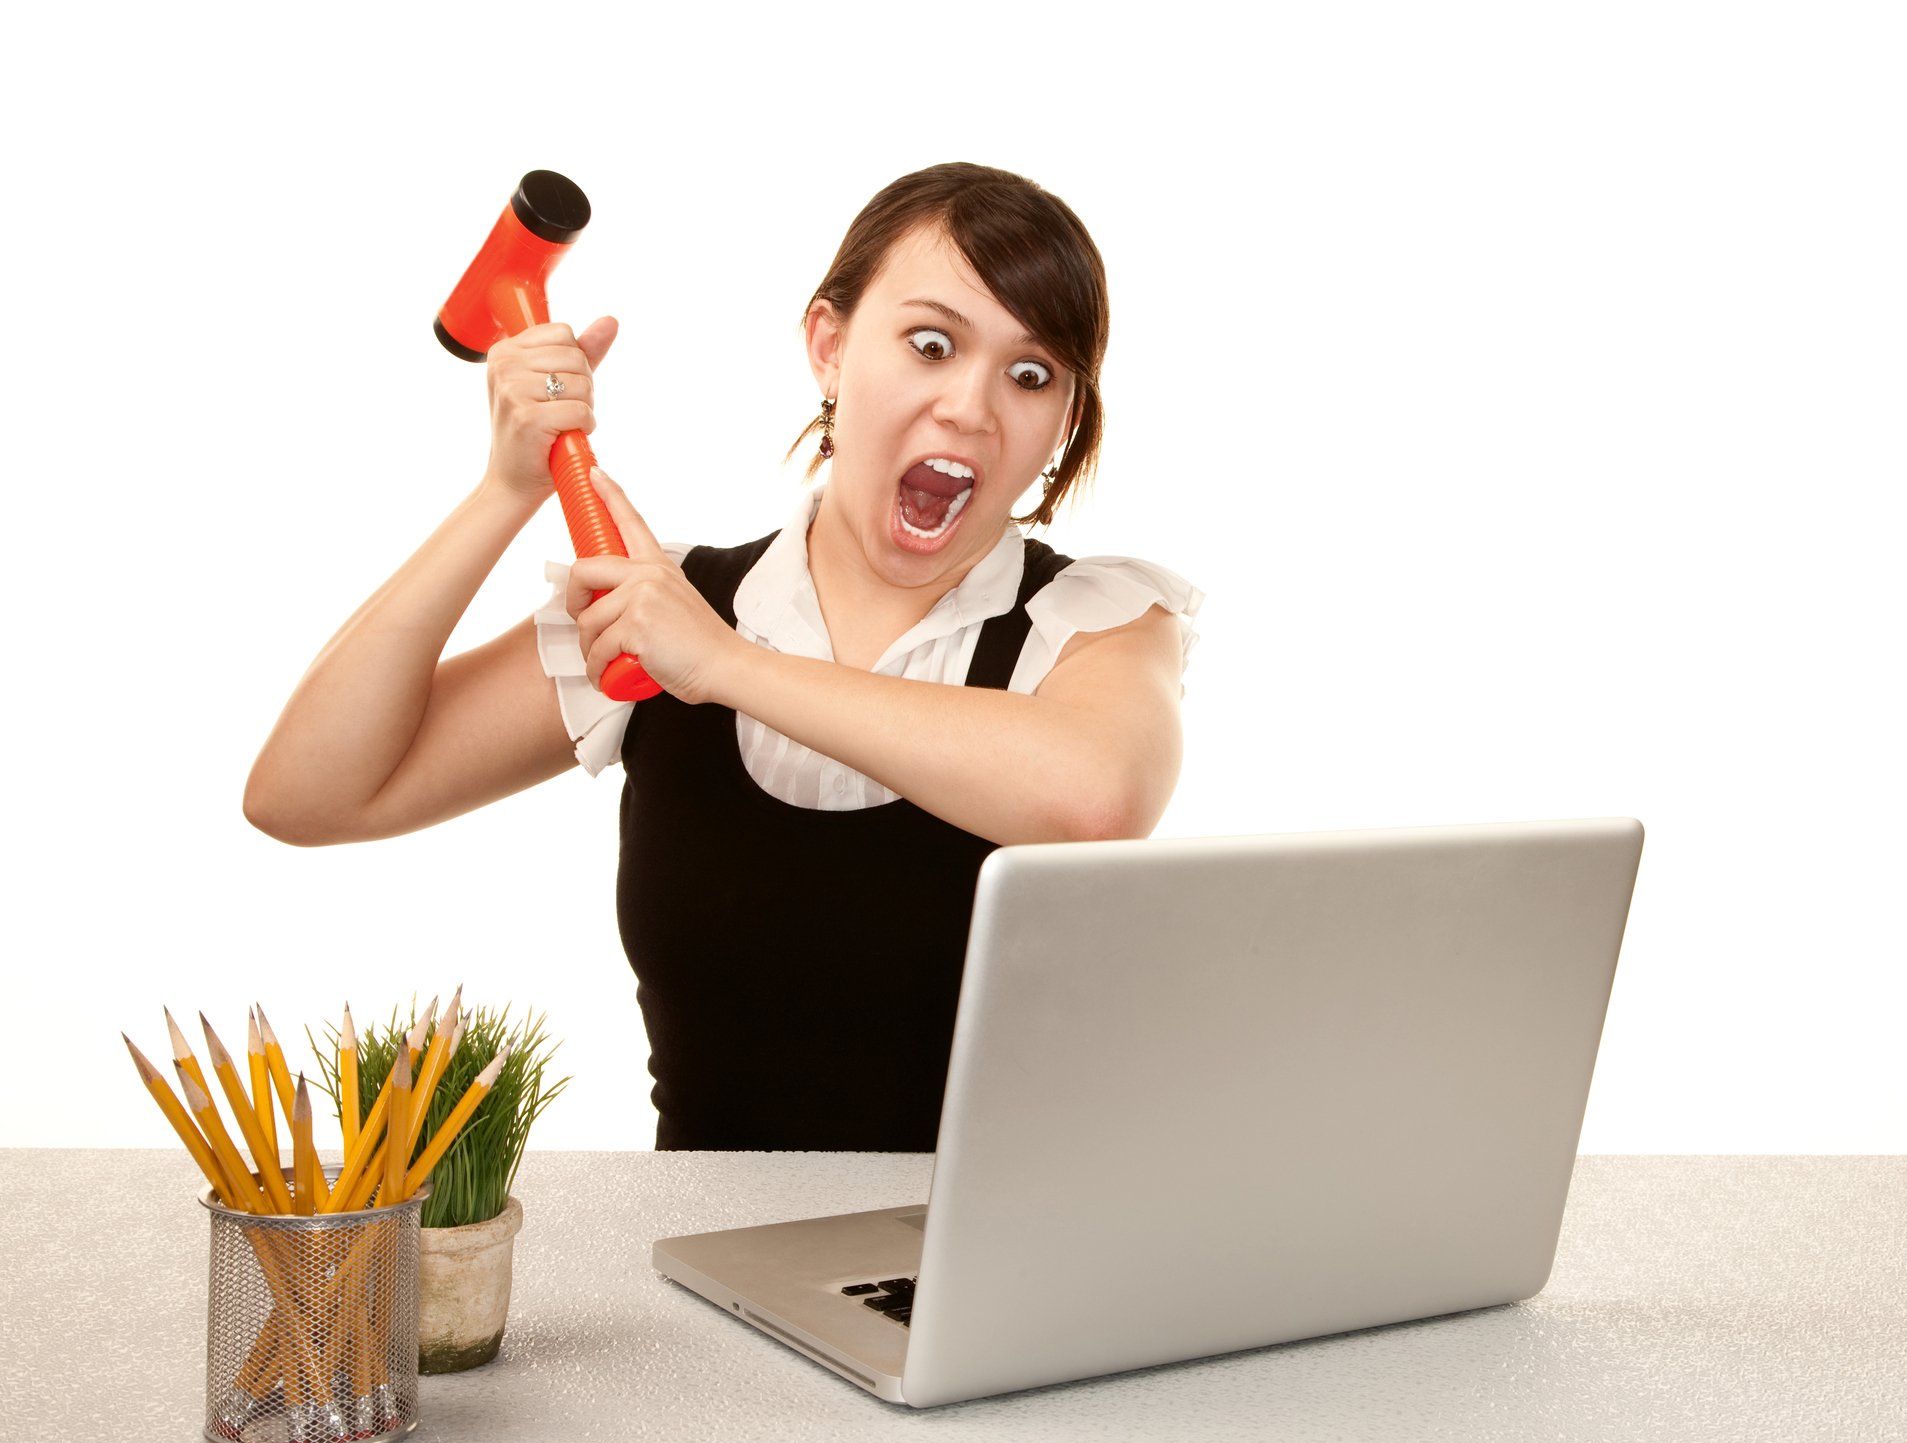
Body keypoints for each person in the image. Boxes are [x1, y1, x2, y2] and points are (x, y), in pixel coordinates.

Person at [244, 162, 1203, 1150]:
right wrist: (506, 489)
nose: (972, 404)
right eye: (931, 343)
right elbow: (307, 794)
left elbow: (1096, 798)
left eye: (1032, 373)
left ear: (1063, 419)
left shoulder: (1099, 622)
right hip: (702, 1263)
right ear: (829, 348)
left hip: (991, 1274)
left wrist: (724, 666)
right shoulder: (661, 608)